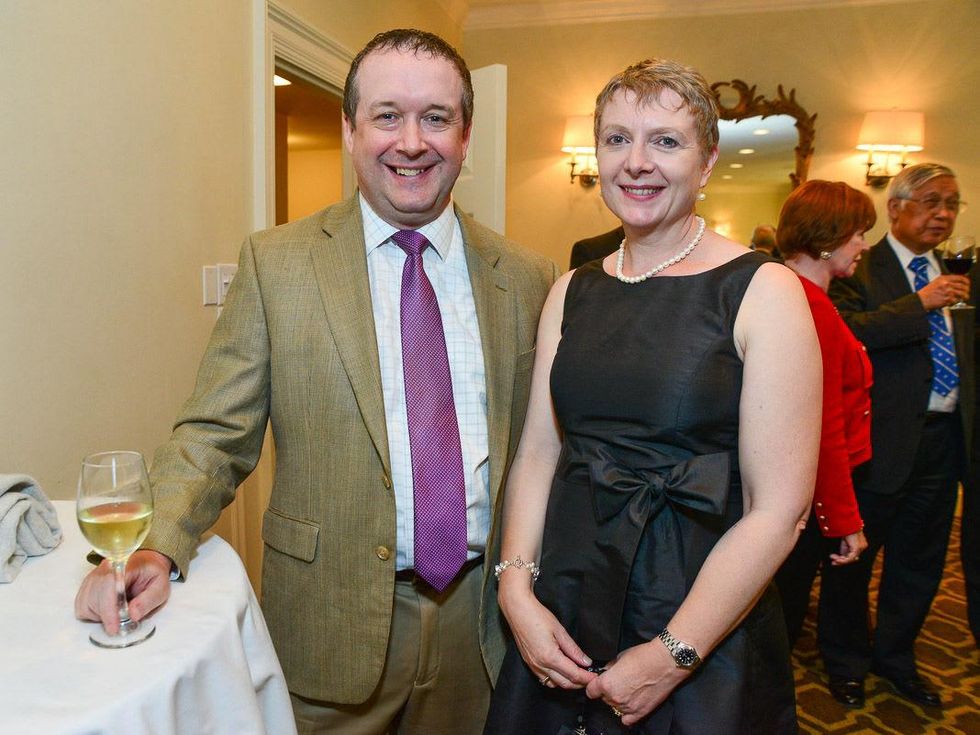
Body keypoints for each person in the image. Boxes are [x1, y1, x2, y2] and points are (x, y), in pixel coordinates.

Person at [74, 29, 559, 735]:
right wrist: (157, 542)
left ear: (466, 134)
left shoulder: (527, 277)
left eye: (436, 118)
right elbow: (214, 433)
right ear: (350, 127)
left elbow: (546, 452)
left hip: (480, 631)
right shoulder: (278, 265)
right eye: (387, 115)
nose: (411, 141)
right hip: (328, 626)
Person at [484, 58, 820, 734]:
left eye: (665, 140)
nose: (636, 162)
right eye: (616, 139)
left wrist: (673, 654)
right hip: (569, 598)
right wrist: (516, 587)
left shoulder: (764, 289)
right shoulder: (571, 288)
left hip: (696, 608)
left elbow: (779, 511)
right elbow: (539, 455)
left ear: (706, 160)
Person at [825, 163, 973, 709]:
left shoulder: (964, 270)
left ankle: (897, 659)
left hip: (943, 443)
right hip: (878, 444)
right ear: (896, 207)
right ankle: (844, 663)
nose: (942, 214)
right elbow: (846, 336)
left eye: (951, 204)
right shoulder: (861, 267)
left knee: (920, 562)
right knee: (852, 562)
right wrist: (920, 304)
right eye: (931, 201)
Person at [771, 181, 873, 655]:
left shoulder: (792, 292)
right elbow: (823, 425)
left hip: (793, 487)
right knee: (781, 619)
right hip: (807, 494)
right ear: (828, 237)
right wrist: (844, 518)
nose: (864, 245)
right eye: (858, 234)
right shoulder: (810, 306)